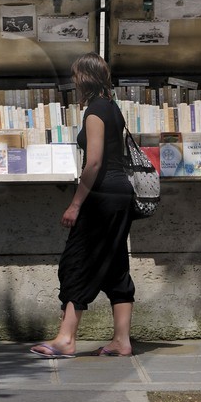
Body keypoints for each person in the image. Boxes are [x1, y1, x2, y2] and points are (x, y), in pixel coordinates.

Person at [30, 52, 136, 359]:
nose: (74, 80)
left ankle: (66, 339)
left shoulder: (94, 112)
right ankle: (121, 341)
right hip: (121, 196)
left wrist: (75, 204)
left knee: (75, 262)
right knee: (115, 266)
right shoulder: (113, 108)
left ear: (85, 78)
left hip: (101, 197)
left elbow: (93, 163)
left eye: (76, 75)